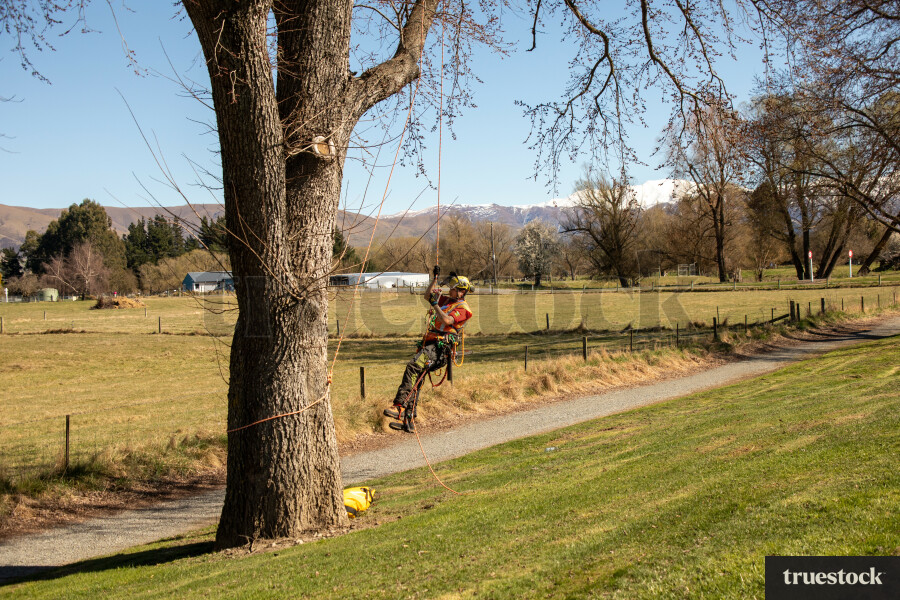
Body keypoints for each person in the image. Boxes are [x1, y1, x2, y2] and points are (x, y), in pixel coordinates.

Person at [384, 265, 472, 432]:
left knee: (412, 367)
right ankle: (408, 421)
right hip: (430, 345)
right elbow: (427, 295)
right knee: (417, 380)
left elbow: (447, 321)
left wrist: (435, 305)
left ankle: (399, 407)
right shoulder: (447, 301)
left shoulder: (463, 309)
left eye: (454, 289)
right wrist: (435, 279)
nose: (451, 291)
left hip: (439, 348)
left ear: (462, 291)